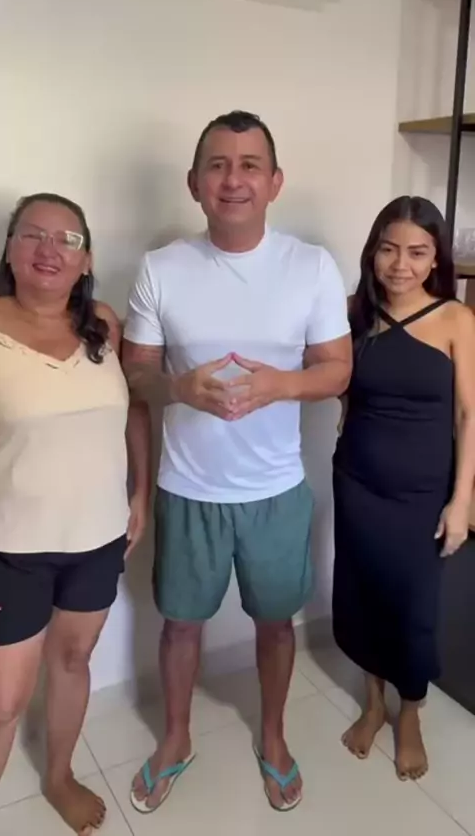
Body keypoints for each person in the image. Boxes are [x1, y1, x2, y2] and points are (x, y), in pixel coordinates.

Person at [123, 110, 352, 813]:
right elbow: (136, 372)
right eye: (217, 165)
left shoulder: (310, 266)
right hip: (186, 488)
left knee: (276, 623)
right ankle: (176, 737)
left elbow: (338, 369)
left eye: (250, 165)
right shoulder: (161, 268)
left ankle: (273, 737)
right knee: (180, 624)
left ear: (274, 182)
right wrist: (178, 389)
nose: (233, 179)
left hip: (276, 489)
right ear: (194, 182)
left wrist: (280, 384)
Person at [0, 193, 151, 836]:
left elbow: (135, 408)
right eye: (33, 234)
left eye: (68, 239)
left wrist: (140, 493)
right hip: (10, 545)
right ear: (9, 249)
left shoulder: (103, 325)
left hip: (97, 538)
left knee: (73, 660)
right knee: (3, 701)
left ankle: (58, 775)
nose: (49, 249)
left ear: (86, 260)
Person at [333, 196, 475, 781]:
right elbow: (343, 391)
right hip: (357, 483)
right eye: (389, 249)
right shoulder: (354, 314)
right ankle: (373, 704)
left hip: (421, 493)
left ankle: (409, 711)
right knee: (364, 596)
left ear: (435, 258)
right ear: (373, 252)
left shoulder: (456, 320)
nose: (400, 264)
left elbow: (469, 415)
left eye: (417, 252)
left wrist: (462, 501)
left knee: (413, 608)